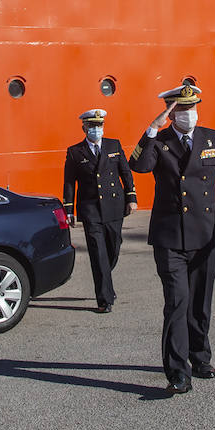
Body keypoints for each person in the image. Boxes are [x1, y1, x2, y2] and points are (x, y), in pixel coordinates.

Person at [129, 84, 215, 395]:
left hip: (206, 235)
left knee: (200, 302)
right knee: (177, 303)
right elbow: (138, 165)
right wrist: (152, 129)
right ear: (171, 114)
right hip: (170, 239)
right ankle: (177, 371)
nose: (190, 115)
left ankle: (200, 357)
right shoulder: (160, 140)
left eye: (193, 108)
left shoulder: (213, 138)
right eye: (182, 111)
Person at [63, 108, 137, 314]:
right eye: (92, 126)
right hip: (91, 209)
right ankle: (104, 299)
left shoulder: (114, 145)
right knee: (98, 253)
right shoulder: (75, 152)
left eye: (99, 125)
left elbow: (125, 172)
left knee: (113, 248)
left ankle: (106, 277)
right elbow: (69, 182)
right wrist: (69, 209)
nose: (96, 129)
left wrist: (131, 196)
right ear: (84, 127)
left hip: (114, 206)